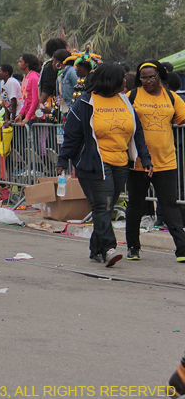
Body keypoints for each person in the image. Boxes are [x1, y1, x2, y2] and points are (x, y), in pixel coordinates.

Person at [56, 63, 152, 267]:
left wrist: (146, 159)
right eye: (121, 79)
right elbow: (71, 137)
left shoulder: (125, 101)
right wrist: (63, 160)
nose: (125, 82)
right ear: (111, 82)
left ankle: (95, 249)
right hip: (93, 164)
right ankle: (109, 248)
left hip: (120, 163)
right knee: (103, 205)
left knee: (106, 208)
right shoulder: (84, 103)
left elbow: (137, 132)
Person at [125, 61, 185, 262]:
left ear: (160, 76)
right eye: (144, 78)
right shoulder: (132, 96)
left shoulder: (171, 97)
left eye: (152, 77)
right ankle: (133, 247)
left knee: (169, 205)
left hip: (166, 160)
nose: (148, 81)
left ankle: (182, 250)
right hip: (139, 162)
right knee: (136, 205)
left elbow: (181, 118)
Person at [38, 38, 68, 116]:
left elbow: (47, 86)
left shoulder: (51, 66)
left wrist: (41, 104)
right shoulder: (65, 65)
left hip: (54, 103)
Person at [15, 53, 41, 125]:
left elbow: (35, 99)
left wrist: (28, 117)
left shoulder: (33, 78)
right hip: (28, 115)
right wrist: (21, 114)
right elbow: (26, 100)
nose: (18, 64)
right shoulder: (26, 77)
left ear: (27, 64)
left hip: (34, 116)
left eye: (20, 62)